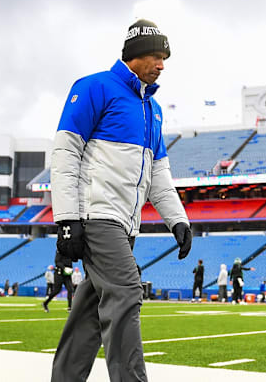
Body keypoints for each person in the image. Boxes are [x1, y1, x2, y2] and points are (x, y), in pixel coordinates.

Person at [49, 19, 191, 382]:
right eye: (157, 56)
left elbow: (158, 171)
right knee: (127, 291)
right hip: (97, 216)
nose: (162, 65)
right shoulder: (95, 87)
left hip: (127, 225)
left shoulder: (152, 110)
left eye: (165, 58)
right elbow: (66, 153)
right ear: (135, 55)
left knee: (89, 314)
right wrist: (67, 218)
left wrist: (178, 219)